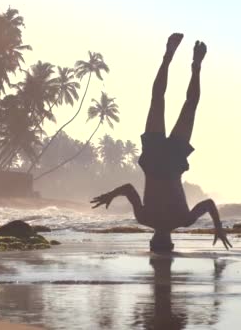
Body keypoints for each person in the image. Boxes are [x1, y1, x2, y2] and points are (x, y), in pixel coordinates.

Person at [91, 33, 232, 252]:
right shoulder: (144, 218)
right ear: (151, 241)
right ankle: (172, 58)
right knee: (158, 100)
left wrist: (218, 227)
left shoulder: (183, 221)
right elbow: (129, 189)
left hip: (171, 160)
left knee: (187, 105)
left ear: (172, 243)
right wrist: (109, 195)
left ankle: (193, 65)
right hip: (156, 159)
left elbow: (208, 204)